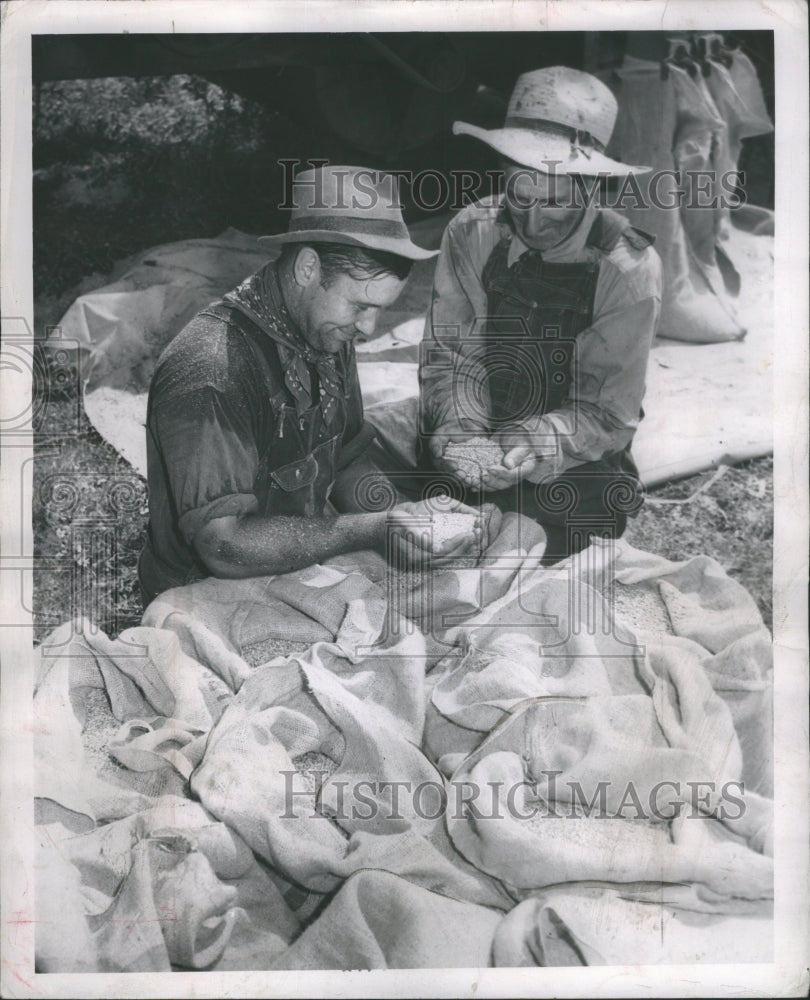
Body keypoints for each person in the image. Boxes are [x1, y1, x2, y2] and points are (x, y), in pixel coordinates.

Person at [139, 165, 483, 604]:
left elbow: (345, 459)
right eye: (361, 305)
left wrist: (409, 521)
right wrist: (375, 529)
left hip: (300, 566)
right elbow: (223, 546)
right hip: (206, 594)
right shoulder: (211, 369)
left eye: (380, 309)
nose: (369, 327)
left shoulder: (323, 327)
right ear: (307, 268)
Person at [420, 66, 663, 562]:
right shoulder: (472, 230)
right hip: (480, 442)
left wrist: (531, 441)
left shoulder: (626, 267)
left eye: (554, 200)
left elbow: (609, 413)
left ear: (591, 186)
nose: (533, 221)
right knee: (416, 527)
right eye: (520, 195)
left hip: (566, 463)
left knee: (520, 553)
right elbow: (448, 356)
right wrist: (462, 438)